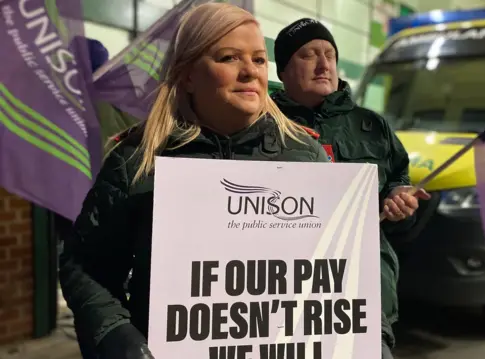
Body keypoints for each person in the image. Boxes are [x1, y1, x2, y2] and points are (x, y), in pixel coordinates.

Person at [58, 4, 328, 359]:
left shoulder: (307, 155)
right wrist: (115, 335)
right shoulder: (137, 161)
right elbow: (87, 267)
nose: (250, 72)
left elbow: (341, 264)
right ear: (187, 74)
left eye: (260, 60)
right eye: (230, 57)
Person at [271, 18, 430, 358]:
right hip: (284, 294)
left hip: (364, 289)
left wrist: (400, 203)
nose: (324, 64)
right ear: (283, 69)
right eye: (309, 54)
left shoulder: (371, 126)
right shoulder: (263, 125)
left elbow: (398, 186)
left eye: (329, 53)